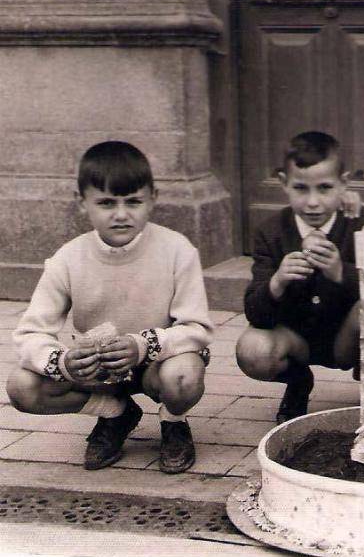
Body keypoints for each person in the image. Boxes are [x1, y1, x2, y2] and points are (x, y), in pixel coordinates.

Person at [9, 141, 213, 473]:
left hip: (158, 364)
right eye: (106, 203)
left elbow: (197, 328)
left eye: (133, 201)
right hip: (101, 371)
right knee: (23, 387)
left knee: (184, 375)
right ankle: (115, 412)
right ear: (82, 201)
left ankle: (174, 421)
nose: (121, 214)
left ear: (153, 198)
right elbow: (30, 333)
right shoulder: (68, 259)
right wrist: (64, 362)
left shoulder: (177, 251)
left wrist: (141, 345)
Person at [236, 131, 364, 424]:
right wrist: (277, 283)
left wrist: (341, 273)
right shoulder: (270, 232)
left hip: (346, 341)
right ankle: (298, 381)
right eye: (300, 188)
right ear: (284, 183)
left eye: (325, 188)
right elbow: (254, 313)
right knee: (252, 350)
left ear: (343, 183)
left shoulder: (358, 223)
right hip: (296, 341)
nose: (313, 202)